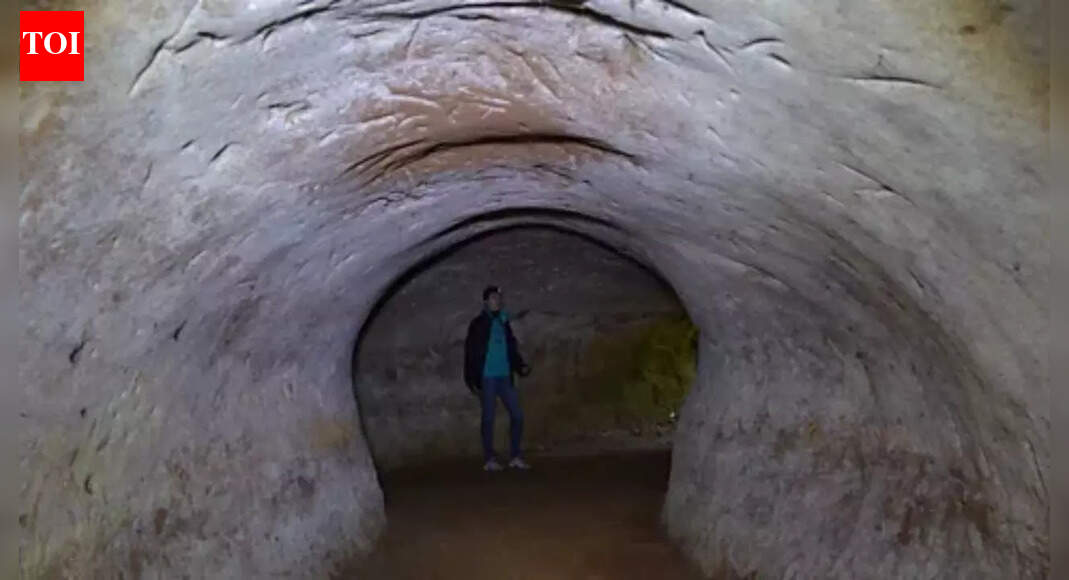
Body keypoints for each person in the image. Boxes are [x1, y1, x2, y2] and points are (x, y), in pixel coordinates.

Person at [464, 285, 532, 471]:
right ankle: (489, 459)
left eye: (499, 298)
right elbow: (471, 352)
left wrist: (519, 365)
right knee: (488, 417)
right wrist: (471, 378)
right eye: (494, 298)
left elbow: (511, 347)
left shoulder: (503, 322)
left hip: (504, 376)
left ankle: (515, 456)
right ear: (486, 301)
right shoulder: (478, 324)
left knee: (517, 415)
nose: (498, 301)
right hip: (487, 377)